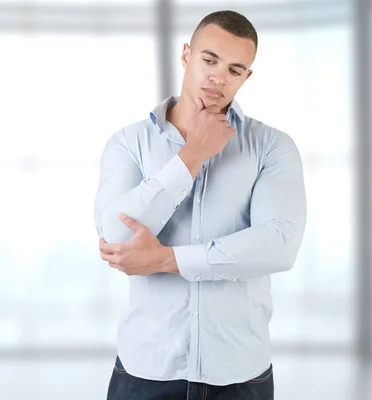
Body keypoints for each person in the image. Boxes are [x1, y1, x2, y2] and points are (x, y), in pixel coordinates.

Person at [94, 10, 306, 400]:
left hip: (242, 376)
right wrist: (190, 158)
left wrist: (164, 260)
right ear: (187, 55)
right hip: (145, 371)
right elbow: (118, 237)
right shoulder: (129, 143)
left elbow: (279, 244)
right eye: (209, 60)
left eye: (235, 69)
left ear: (247, 77)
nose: (219, 77)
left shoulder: (272, 147)